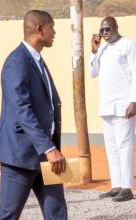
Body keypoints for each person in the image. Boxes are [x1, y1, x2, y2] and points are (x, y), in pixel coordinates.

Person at [0, 10, 67, 220]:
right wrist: (49, 148)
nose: (55, 32)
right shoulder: (17, 61)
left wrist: (50, 147)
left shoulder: (36, 60)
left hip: (46, 154)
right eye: (52, 27)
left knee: (57, 212)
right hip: (20, 154)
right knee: (8, 214)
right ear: (39, 29)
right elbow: (22, 109)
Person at [89, 16, 136, 202]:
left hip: (124, 105)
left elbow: (135, 72)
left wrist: (134, 100)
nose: (104, 33)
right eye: (102, 30)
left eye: (107, 29)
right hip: (106, 106)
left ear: (116, 27)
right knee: (111, 148)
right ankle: (116, 185)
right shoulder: (103, 49)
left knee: (125, 147)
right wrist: (94, 51)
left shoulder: (128, 45)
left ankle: (127, 187)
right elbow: (93, 72)